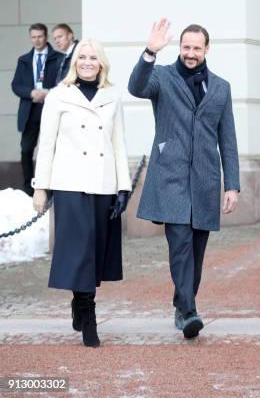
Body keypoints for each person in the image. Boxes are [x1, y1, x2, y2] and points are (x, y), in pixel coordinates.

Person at [128, 18, 240, 339]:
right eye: (186, 47)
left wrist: (231, 184)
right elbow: (136, 87)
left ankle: (182, 303)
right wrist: (150, 51)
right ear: (180, 47)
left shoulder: (221, 87)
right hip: (171, 177)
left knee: (197, 250)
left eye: (196, 48)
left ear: (207, 49)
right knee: (180, 245)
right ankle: (188, 312)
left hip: (205, 180)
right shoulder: (161, 77)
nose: (190, 53)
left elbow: (227, 139)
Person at [31, 39, 131, 348]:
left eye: (93, 58)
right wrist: (40, 188)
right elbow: (46, 144)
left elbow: (118, 143)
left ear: (101, 63)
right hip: (70, 183)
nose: (87, 62)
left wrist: (124, 186)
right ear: (75, 62)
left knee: (96, 250)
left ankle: (79, 300)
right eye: (82, 57)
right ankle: (88, 314)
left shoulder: (112, 97)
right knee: (79, 250)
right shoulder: (59, 96)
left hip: (103, 183)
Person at [11, 23, 62, 196]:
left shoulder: (59, 58)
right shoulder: (24, 60)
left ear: (46, 37)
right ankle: (28, 189)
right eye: (33, 37)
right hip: (30, 109)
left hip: (51, 107)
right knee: (26, 149)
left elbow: (64, 82)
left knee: (52, 149)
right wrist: (31, 92)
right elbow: (16, 85)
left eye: (40, 36)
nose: (37, 40)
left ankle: (53, 188)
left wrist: (48, 92)